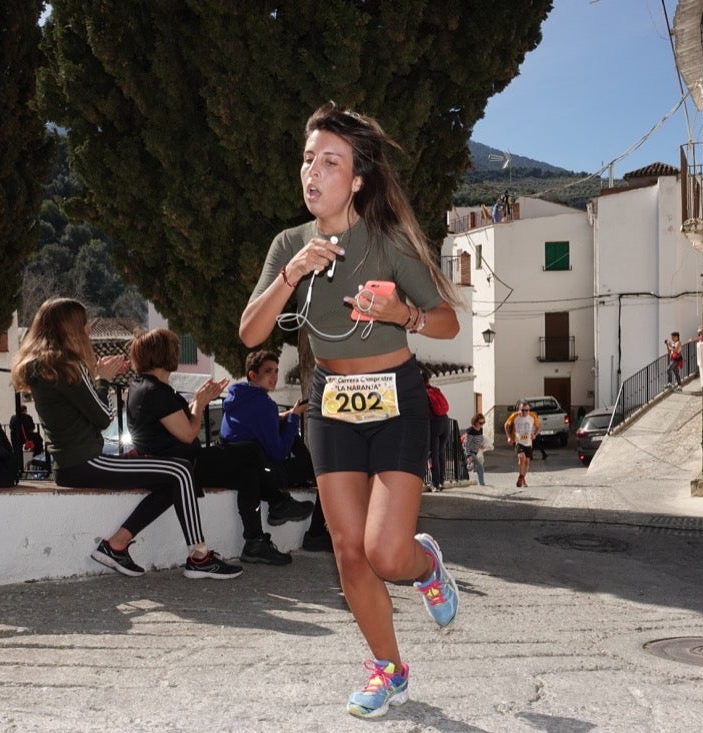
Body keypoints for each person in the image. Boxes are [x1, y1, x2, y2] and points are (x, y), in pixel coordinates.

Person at [238, 102, 463, 718]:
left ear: (357, 179)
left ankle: (425, 565)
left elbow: (447, 322)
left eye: (330, 162)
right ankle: (388, 669)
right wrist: (290, 272)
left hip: (395, 400)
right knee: (348, 552)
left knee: (388, 553)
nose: (313, 172)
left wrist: (404, 316)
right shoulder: (289, 244)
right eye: (308, 160)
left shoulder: (388, 240)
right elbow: (251, 332)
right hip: (330, 406)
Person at [11, 298, 241, 581]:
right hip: (87, 462)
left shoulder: (40, 366)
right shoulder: (67, 365)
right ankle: (200, 557)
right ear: (70, 327)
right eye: (83, 323)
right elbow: (104, 416)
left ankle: (116, 545)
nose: (87, 329)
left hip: (70, 463)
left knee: (171, 481)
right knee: (180, 470)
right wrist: (103, 379)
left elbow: (76, 411)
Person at [125, 330, 304, 566]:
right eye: (174, 348)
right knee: (249, 452)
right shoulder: (154, 391)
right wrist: (200, 404)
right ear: (164, 354)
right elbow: (188, 434)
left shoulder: (143, 386)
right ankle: (274, 509)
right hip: (182, 465)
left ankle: (257, 538)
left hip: (180, 461)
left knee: (247, 470)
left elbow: (175, 421)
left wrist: (199, 402)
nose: (178, 352)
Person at [220, 349, 327, 551]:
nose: (275, 376)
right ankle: (316, 533)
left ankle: (293, 507)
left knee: (287, 427)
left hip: (237, 467)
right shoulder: (264, 404)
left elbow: (261, 422)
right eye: (268, 371)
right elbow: (277, 452)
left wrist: (289, 414)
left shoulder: (238, 396)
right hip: (263, 472)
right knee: (324, 474)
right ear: (253, 374)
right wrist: (294, 417)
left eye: (276, 371)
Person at [423, 370, 450, 492]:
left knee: (433, 455)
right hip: (445, 421)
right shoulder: (436, 390)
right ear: (429, 380)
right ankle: (441, 481)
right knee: (441, 453)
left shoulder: (422, 393)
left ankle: (435, 484)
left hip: (434, 424)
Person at [504, 401, 539, 487]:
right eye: (523, 410)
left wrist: (534, 434)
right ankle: (521, 477)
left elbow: (538, 426)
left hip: (529, 443)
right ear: (519, 410)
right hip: (518, 441)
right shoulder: (514, 416)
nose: (525, 412)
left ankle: (522, 477)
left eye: (527, 410)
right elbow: (506, 425)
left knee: (527, 462)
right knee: (521, 457)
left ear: (529, 410)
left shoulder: (532, 416)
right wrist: (509, 437)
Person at [8, 404, 48, 478]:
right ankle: (36, 458)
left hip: (15, 438)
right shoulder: (28, 417)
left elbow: (11, 427)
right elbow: (32, 427)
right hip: (27, 437)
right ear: (24, 410)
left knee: (17, 453)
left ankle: (18, 469)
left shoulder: (13, 418)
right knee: (38, 440)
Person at [462, 413, 487, 486]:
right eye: (480, 423)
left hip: (475, 452)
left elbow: (479, 439)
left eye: (483, 422)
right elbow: (467, 444)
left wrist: (481, 445)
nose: (482, 424)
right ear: (475, 422)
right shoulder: (470, 431)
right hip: (470, 452)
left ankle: (465, 469)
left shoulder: (480, 429)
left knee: (469, 467)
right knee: (480, 466)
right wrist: (468, 455)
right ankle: (482, 483)